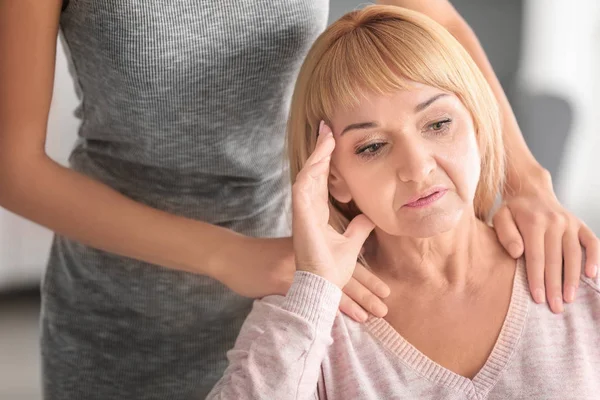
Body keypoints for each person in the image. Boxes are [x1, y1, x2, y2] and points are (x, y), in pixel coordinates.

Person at [0, 0, 596, 399]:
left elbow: (434, 22)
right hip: (126, 296)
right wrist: (230, 257)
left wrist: (524, 179)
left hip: (304, 269)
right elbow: (13, 168)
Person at [207, 6, 600, 399]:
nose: (416, 168)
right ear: (333, 178)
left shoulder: (579, 275)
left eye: (438, 124)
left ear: (479, 129)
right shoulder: (307, 317)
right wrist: (315, 292)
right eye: (373, 146)